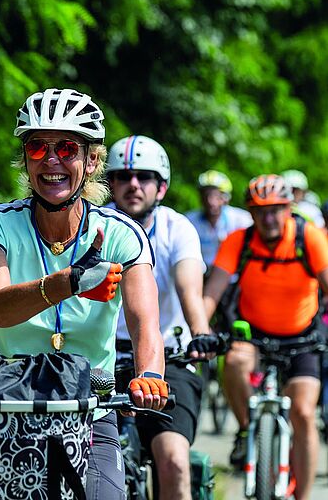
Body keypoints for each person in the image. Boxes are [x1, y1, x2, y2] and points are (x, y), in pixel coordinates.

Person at [0, 88, 167, 500]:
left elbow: (145, 325)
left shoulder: (122, 235)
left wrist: (149, 376)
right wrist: (70, 281)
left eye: (67, 148)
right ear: (25, 158)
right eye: (38, 147)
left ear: (91, 161)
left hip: (87, 410)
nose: (51, 160)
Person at [203, 174, 328, 500]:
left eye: (276, 209)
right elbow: (211, 293)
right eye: (261, 211)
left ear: (289, 209)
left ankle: (301, 496)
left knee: (302, 413)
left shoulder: (308, 238)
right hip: (254, 333)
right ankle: (248, 429)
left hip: (302, 336)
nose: (269, 218)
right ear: (250, 212)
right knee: (232, 361)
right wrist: (199, 331)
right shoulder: (239, 241)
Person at [105, 135, 215, 500]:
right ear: (110, 183)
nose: (133, 185)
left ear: (162, 186)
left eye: (144, 177)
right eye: (122, 176)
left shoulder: (176, 228)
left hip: (168, 358)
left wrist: (200, 332)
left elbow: (189, 290)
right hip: (98, 360)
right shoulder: (93, 226)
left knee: (174, 461)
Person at [184, 170, 252, 273]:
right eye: (206, 195)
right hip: (200, 275)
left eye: (217, 196)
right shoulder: (188, 221)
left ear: (226, 198)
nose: (211, 201)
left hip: (232, 277)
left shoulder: (242, 219)